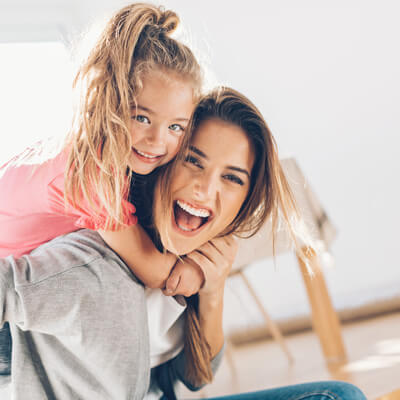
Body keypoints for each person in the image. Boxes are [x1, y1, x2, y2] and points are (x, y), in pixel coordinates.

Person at [0, 87, 366, 400]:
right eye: (193, 161)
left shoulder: (189, 261)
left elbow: (194, 376)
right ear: (164, 161)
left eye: (232, 178)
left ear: (245, 199)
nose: (206, 190)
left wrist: (212, 291)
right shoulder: (91, 261)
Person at [0, 2, 208, 377]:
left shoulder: (84, 149)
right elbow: (156, 272)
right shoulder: (92, 171)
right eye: (141, 117)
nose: (156, 140)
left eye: (176, 127)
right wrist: (202, 268)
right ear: (107, 102)